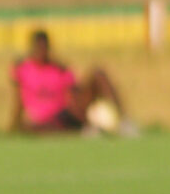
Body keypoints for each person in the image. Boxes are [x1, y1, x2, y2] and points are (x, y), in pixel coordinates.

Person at [8, 28, 136, 136]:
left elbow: (73, 93)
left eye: (44, 47)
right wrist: (14, 125)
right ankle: (89, 127)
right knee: (39, 127)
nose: (42, 51)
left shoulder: (60, 69)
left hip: (66, 113)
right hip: (44, 120)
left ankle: (123, 121)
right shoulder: (22, 69)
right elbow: (18, 100)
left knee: (99, 74)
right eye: (38, 47)